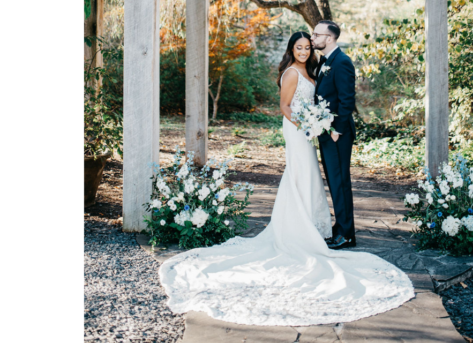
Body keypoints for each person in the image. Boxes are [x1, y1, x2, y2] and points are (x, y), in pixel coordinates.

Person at [157, 32, 414, 326]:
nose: (304, 51)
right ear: (291, 49)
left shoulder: (314, 69)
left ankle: (312, 225)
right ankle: (299, 229)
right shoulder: (291, 72)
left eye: (307, 47)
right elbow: (285, 107)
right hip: (297, 130)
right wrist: (308, 124)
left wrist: (315, 122)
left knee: (309, 177)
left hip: (308, 130)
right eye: (299, 47)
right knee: (300, 173)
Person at [311, 20, 358, 249]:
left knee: (340, 183)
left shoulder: (342, 62)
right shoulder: (324, 62)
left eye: (316, 34)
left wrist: (337, 130)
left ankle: (346, 234)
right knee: (334, 181)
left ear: (329, 38)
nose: (312, 38)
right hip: (326, 132)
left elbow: (347, 99)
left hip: (337, 134)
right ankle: (340, 230)